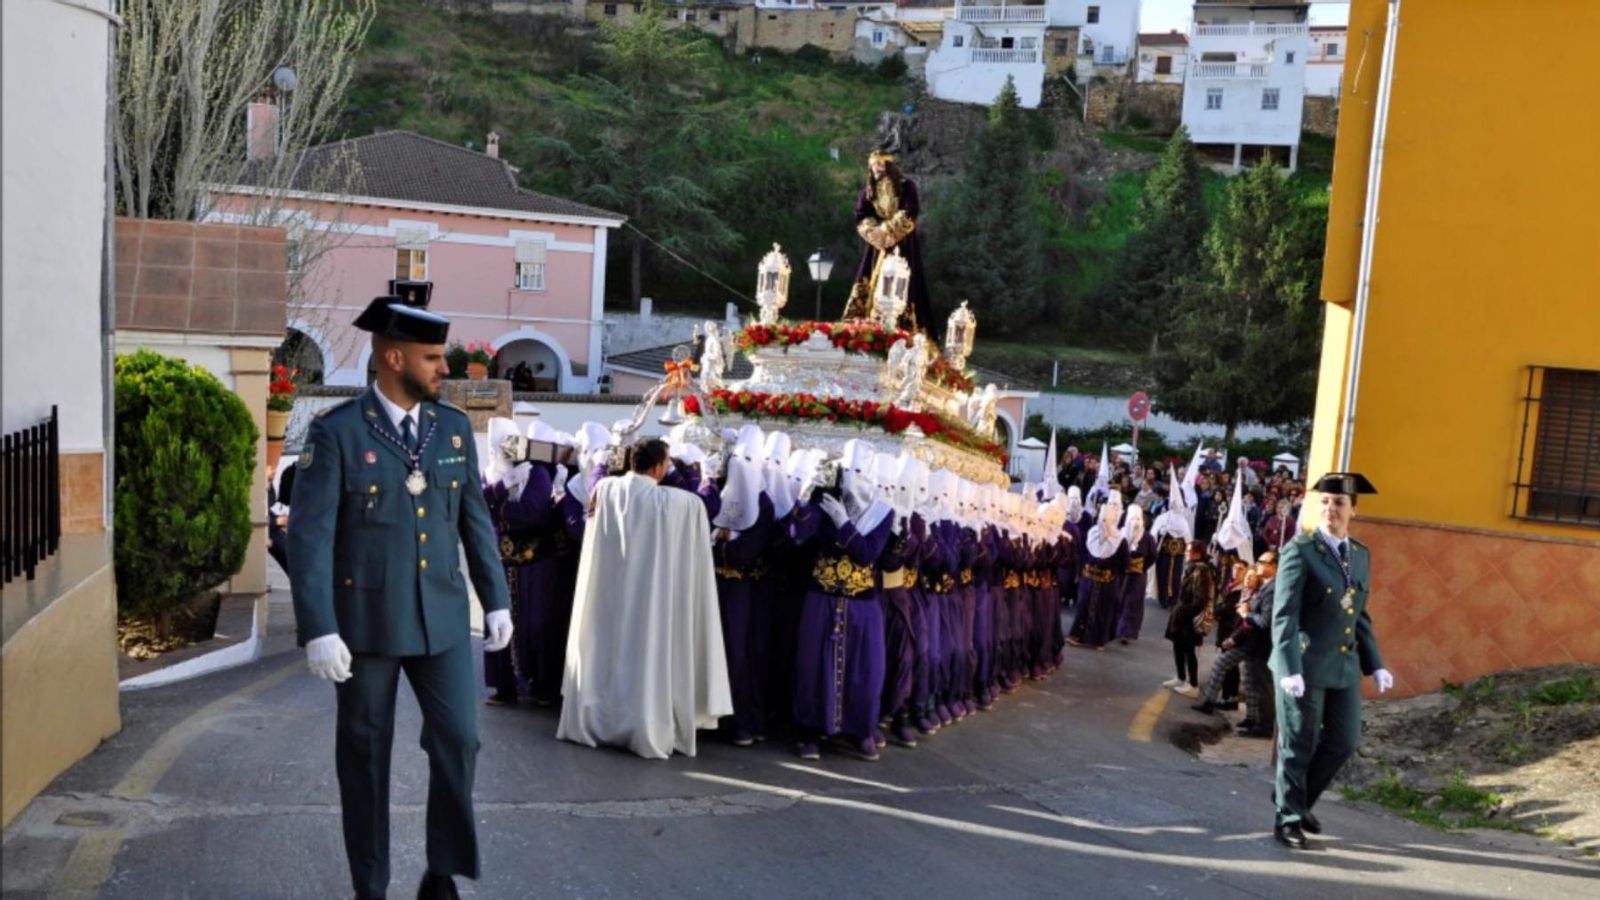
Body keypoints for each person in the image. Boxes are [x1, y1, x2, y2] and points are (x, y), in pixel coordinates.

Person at [288, 295, 513, 900]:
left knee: (459, 741)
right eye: (432, 357)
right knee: (364, 758)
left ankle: (440, 872)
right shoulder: (336, 433)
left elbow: (475, 523)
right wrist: (319, 627)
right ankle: (370, 886)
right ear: (394, 358)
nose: (445, 367)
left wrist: (495, 599)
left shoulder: (454, 429)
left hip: (440, 619)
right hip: (364, 627)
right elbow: (310, 539)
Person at [557, 438, 732, 759]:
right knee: (645, 658)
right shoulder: (670, 502)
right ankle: (642, 723)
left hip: (610, 598)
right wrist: (707, 478)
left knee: (607, 655)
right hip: (650, 602)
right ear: (658, 467)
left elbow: (595, 484)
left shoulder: (607, 490)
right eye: (667, 464)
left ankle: (598, 721)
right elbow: (705, 505)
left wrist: (599, 461)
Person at [1270, 472, 1392, 850]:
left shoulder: (1360, 555)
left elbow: (1358, 615)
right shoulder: (1301, 550)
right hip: (1303, 664)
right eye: (1324, 502)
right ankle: (1288, 817)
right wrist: (1289, 666)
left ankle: (1298, 799)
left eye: (1338, 503)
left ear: (1353, 509)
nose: (1330, 509)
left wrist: (1376, 663)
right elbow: (1284, 614)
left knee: (1343, 740)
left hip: (1343, 665)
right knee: (1299, 741)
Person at [844, 149, 934, 332]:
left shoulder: (906, 186)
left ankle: (904, 327)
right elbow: (861, 215)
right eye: (872, 165)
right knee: (869, 281)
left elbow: (911, 210)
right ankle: (863, 327)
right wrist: (874, 233)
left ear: (889, 165)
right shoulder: (868, 191)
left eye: (880, 164)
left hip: (903, 242)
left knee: (905, 281)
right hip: (877, 246)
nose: (876, 168)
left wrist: (889, 231)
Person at [1163, 541, 1214, 697]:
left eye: (1189, 551)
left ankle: (1193, 684)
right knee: (1178, 647)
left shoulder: (1201, 570)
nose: (1186, 553)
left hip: (1188, 618)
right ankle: (1181, 678)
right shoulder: (1192, 567)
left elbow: (1200, 599)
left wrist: (1184, 613)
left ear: (1197, 554)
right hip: (1182, 614)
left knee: (1188, 651)